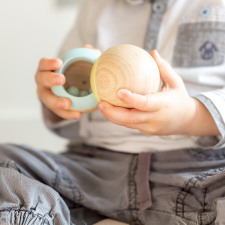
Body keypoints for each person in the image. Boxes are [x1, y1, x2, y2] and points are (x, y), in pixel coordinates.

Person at [0, 0, 225, 224]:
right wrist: (61, 96)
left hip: (199, 174)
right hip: (93, 173)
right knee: (7, 162)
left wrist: (191, 116)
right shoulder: (95, 6)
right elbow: (70, 94)